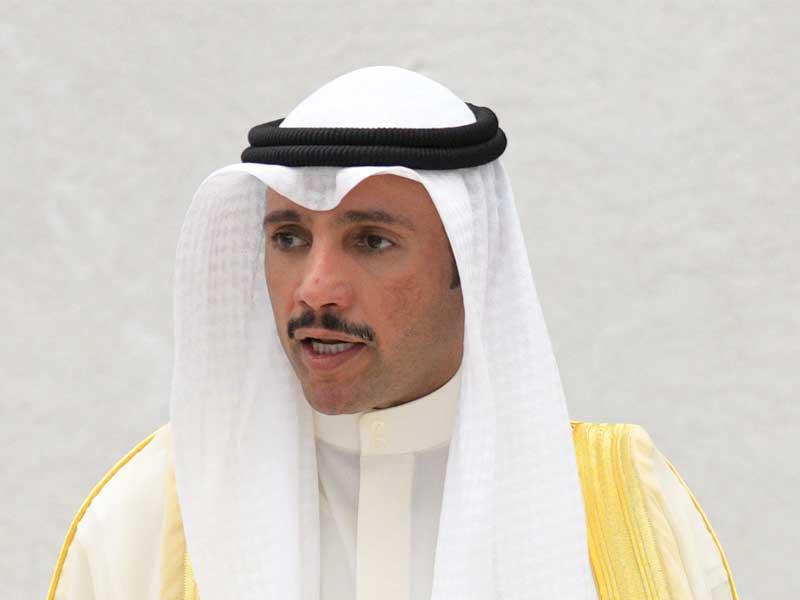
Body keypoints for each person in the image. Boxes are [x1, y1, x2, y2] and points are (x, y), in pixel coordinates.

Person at [47, 66, 739, 600]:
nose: (315, 289)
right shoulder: (152, 514)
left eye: (372, 241)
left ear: (469, 263)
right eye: (289, 238)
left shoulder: (621, 507)